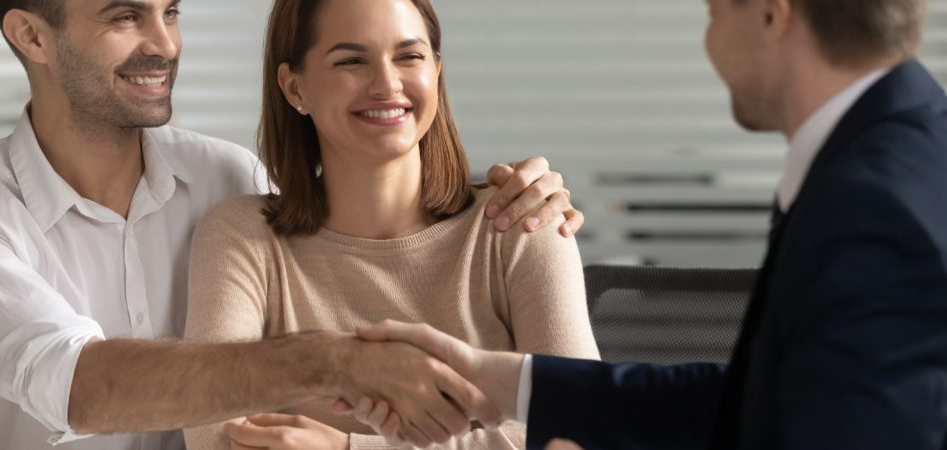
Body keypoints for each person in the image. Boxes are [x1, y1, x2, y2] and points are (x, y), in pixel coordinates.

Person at [0, 1, 588, 449]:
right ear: (29, 35)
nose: (164, 45)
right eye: (125, 17)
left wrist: (533, 200)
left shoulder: (232, 180)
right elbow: (75, 384)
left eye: (171, 12)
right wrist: (341, 360)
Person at [344, 0, 947, 449]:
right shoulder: (897, 155)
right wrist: (510, 382)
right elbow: (771, 402)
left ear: (771, 15)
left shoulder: (874, 201)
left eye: (712, 14)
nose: (708, 46)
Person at [180, 0, 600, 448]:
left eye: (409, 56)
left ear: (436, 72)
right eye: (351, 61)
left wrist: (345, 448)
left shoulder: (521, 223)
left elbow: (583, 427)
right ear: (294, 87)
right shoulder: (242, 236)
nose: (386, 83)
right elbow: (215, 436)